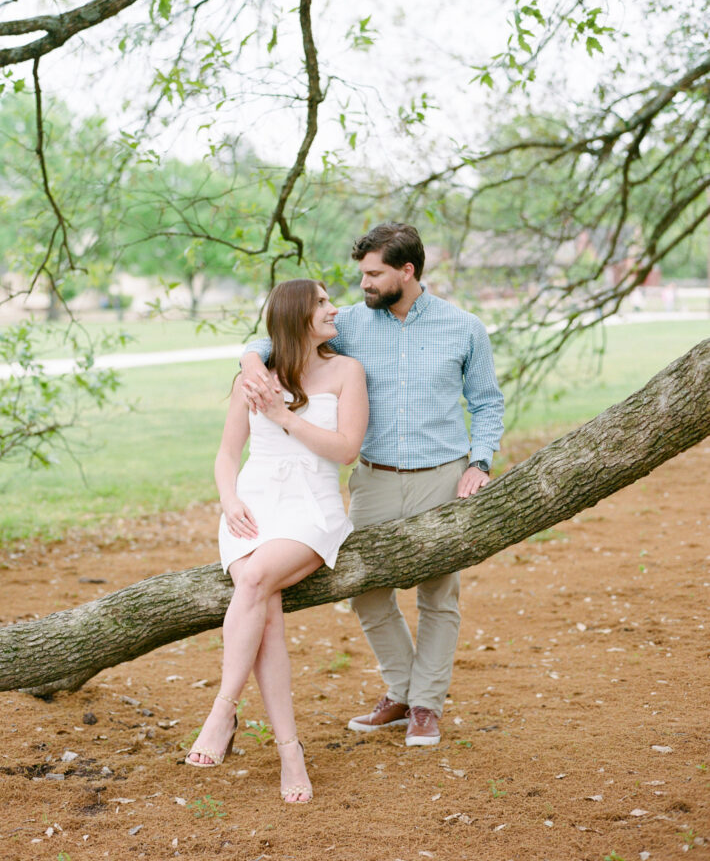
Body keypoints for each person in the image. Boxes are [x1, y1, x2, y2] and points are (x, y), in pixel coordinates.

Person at [241, 223, 504, 748]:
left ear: (407, 271)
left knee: (438, 594)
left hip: (443, 477)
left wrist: (480, 461)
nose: (361, 283)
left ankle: (425, 704)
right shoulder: (350, 326)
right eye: (361, 272)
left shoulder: (464, 327)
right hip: (375, 479)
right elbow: (276, 337)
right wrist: (252, 360)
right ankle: (403, 689)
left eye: (373, 273)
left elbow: (487, 402)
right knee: (365, 590)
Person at [186, 279, 368, 803]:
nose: (335, 309)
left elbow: (347, 449)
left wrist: (284, 416)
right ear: (295, 316)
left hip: (312, 508)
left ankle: (223, 711)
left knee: (258, 578)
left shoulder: (346, 371)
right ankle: (290, 750)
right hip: (252, 507)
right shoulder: (254, 377)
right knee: (263, 602)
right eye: (323, 303)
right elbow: (226, 455)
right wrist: (228, 500)